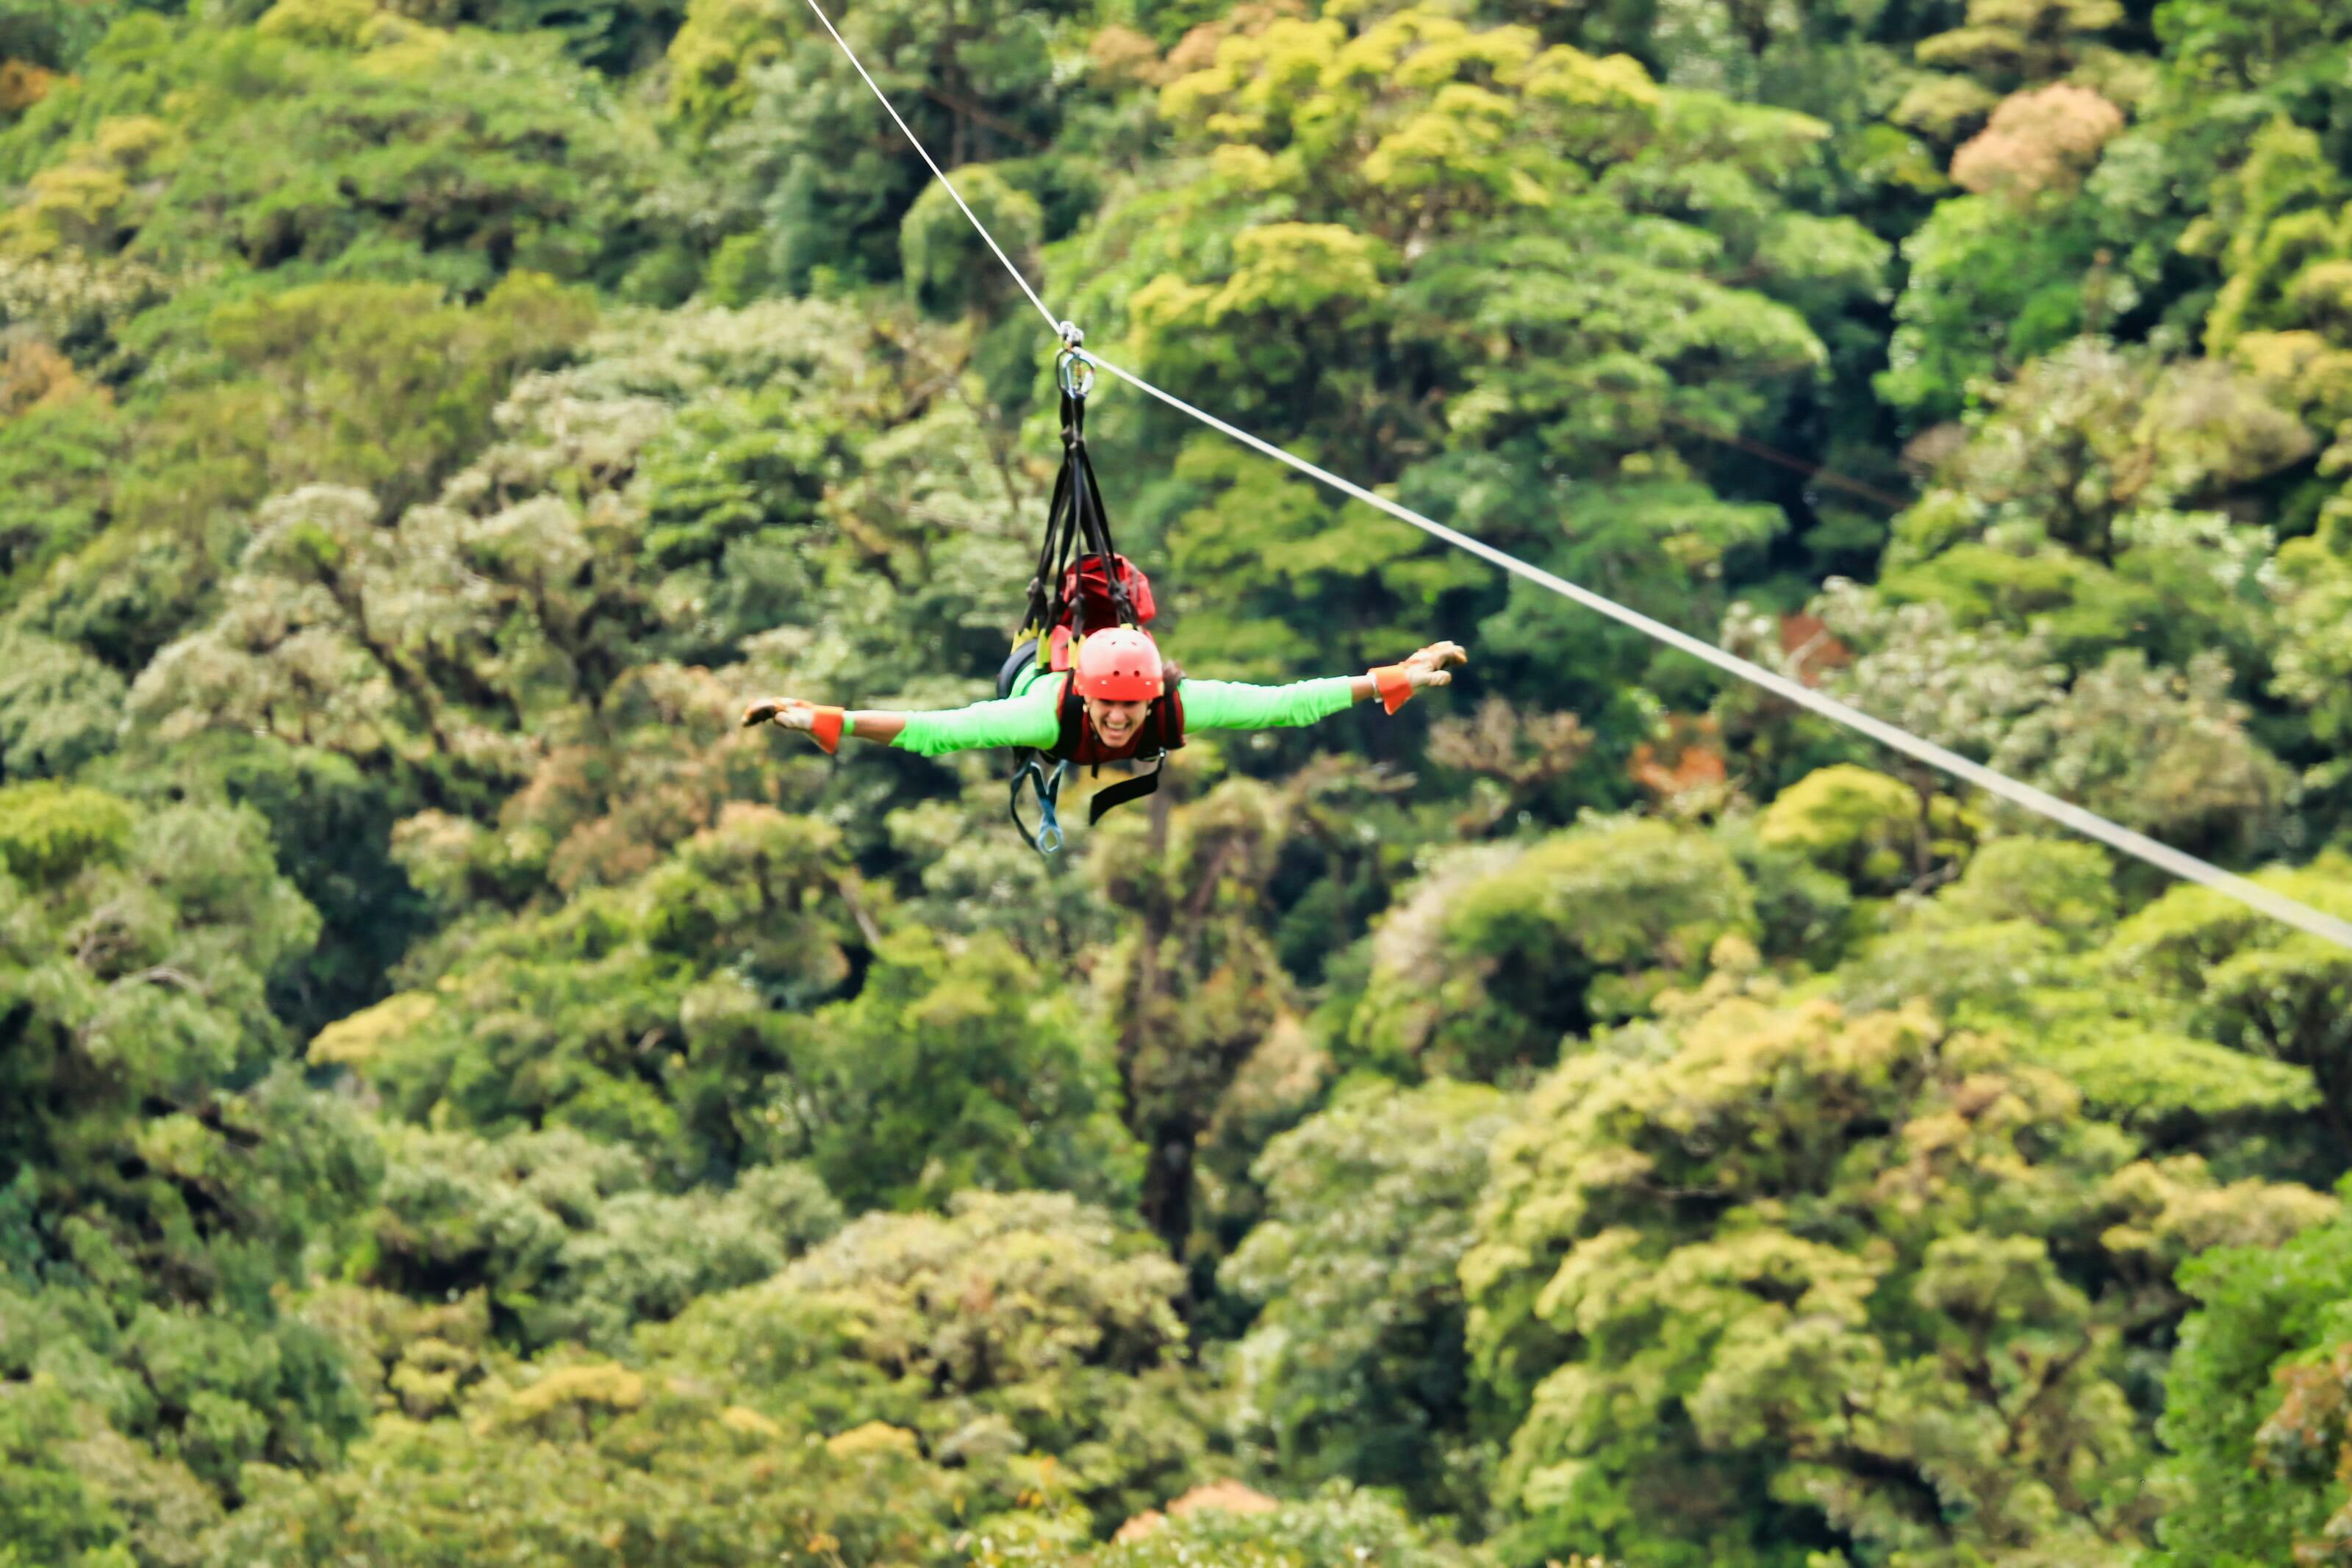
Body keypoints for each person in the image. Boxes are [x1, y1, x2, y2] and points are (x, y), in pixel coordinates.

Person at [740, 632, 1467, 761]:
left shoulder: (1177, 703)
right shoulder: (1041, 711)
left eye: (1131, 709)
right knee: (984, 723)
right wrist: (826, 720)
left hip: (1093, 674)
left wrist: (1394, 677)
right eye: (1108, 708)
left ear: (1151, 700)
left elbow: (1286, 703)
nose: (1119, 721)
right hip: (1030, 672)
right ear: (1084, 698)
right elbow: (938, 730)